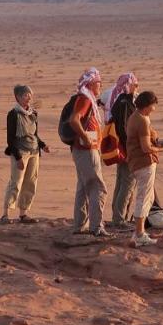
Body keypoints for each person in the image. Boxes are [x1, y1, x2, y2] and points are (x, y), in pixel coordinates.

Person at [68, 67, 109, 237]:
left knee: (84, 187)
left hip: (85, 148)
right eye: (99, 82)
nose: (100, 85)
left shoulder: (88, 98)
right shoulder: (85, 99)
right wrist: (85, 137)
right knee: (98, 187)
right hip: (86, 149)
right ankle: (96, 226)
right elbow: (74, 120)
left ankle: (80, 225)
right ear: (91, 83)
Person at [1, 85, 48, 224]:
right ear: (18, 97)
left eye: (29, 95)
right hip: (20, 152)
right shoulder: (13, 114)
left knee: (31, 182)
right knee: (16, 182)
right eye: (25, 95)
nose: (28, 98)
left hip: (34, 151)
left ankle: (23, 213)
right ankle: (6, 214)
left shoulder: (33, 113)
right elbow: (10, 139)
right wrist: (18, 157)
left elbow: (35, 135)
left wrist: (43, 145)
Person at [125, 90, 162, 247]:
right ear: (148, 105)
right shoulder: (142, 120)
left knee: (147, 198)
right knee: (144, 198)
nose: (154, 108)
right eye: (153, 105)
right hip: (143, 163)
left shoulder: (135, 117)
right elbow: (146, 148)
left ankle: (139, 232)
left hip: (137, 162)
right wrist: (161, 149)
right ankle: (139, 234)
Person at [106, 72, 139, 229]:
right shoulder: (125, 103)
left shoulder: (120, 100)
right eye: (135, 84)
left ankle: (117, 217)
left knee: (121, 181)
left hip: (123, 148)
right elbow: (123, 128)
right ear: (128, 85)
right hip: (126, 149)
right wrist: (129, 150)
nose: (137, 87)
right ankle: (119, 219)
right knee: (127, 183)